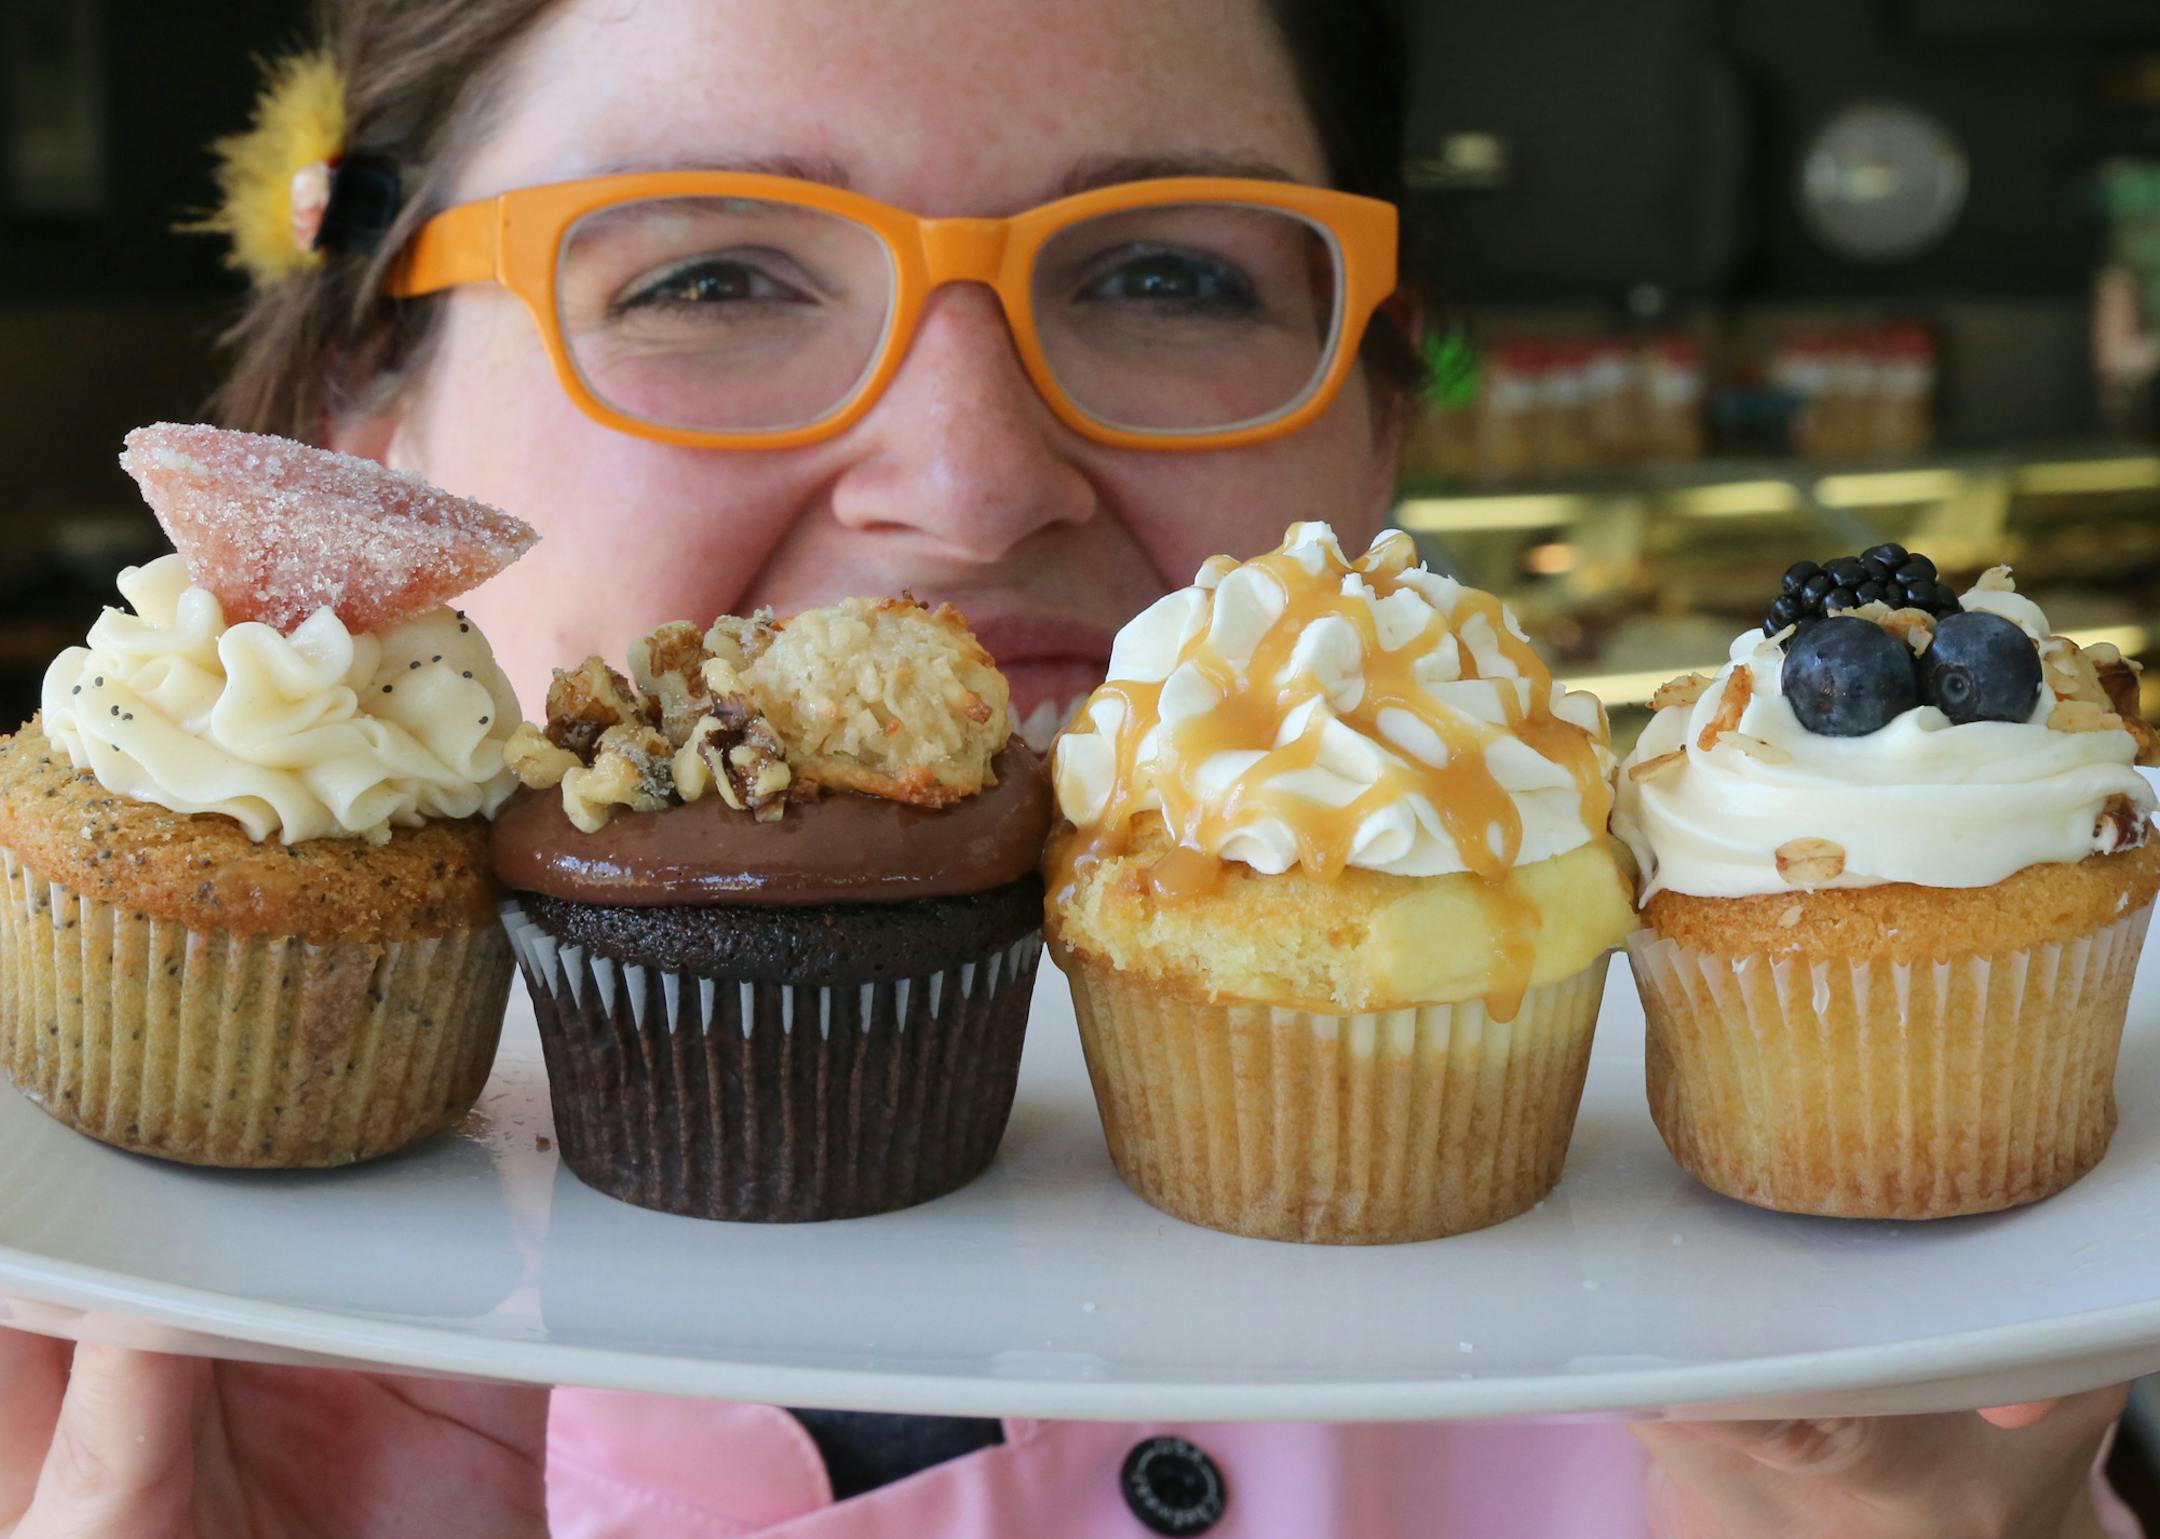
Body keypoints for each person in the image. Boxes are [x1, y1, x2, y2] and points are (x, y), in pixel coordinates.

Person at [0, 1, 2143, 1534]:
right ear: (375, 419)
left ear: (1379, 420)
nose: (971, 476)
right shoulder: (78, 1293)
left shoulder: (1868, 1284)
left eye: (1160, 272)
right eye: (714, 272)